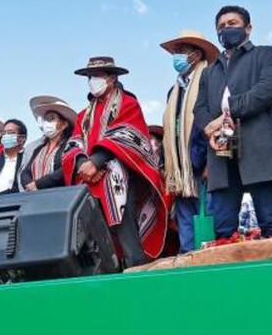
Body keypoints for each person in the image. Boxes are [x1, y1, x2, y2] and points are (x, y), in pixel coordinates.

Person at [62, 56, 170, 268]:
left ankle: (136, 275)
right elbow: (74, 142)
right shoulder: (84, 114)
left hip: (118, 180)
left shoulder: (128, 104)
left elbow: (128, 135)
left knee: (126, 233)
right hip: (88, 182)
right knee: (94, 238)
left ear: (111, 78)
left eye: (98, 76)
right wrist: (84, 163)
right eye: (89, 77)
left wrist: (97, 161)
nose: (93, 80)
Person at [196, 6, 272, 238]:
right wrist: (208, 127)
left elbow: (268, 91)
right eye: (221, 26)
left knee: (270, 221)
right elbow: (199, 109)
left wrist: (226, 112)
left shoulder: (265, 54)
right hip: (221, 150)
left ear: (248, 28)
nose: (226, 29)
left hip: (257, 147)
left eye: (232, 23)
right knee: (223, 228)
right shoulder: (210, 72)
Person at [159, 29, 214, 252]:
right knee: (186, 230)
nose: (178, 56)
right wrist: (166, 164)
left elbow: (215, 121)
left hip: (204, 167)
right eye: (177, 51)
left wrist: (212, 161)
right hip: (181, 171)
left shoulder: (209, 81)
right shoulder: (173, 91)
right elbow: (169, 130)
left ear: (197, 55)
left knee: (210, 222)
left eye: (183, 51)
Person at [22, 97, 77, 192]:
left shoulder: (71, 144)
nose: (47, 123)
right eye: (45, 119)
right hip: (35, 198)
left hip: (60, 196)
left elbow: (67, 169)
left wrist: (38, 184)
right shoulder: (38, 149)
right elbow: (25, 172)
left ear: (64, 124)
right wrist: (29, 184)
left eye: (51, 118)